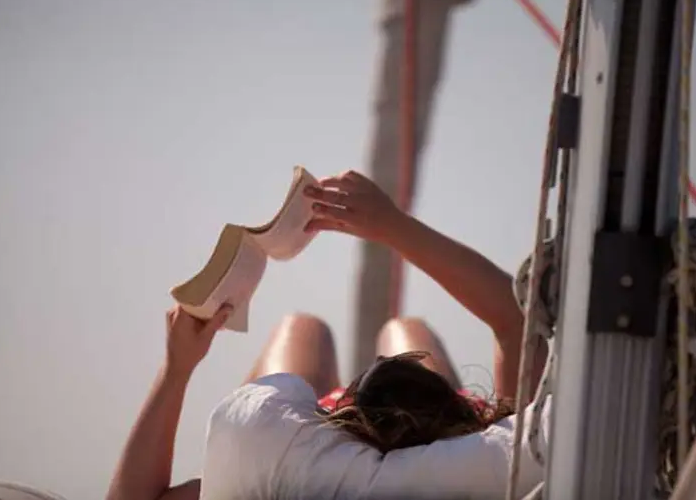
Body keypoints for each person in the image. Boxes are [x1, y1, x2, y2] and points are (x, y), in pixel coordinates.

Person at [106, 170, 550, 500]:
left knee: (302, 328)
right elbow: (515, 323)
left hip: (367, 425)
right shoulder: (485, 446)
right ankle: (406, 365)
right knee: (404, 330)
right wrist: (394, 225)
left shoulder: (299, 472)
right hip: (419, 422)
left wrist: (177, 369)